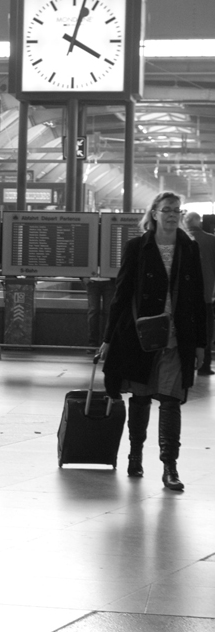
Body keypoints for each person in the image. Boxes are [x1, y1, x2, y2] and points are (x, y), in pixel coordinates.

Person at [98, 191, 206, 491]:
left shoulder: (189, 248)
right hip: (141, 336)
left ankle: (170, 466)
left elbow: (198, 298)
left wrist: (200, 344)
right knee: (141, 399)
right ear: (154, 213)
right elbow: (121, 293)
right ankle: (135, 455)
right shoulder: (137, 247)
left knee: (171, 401)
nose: (172, 215)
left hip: (176, 337)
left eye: (176, 210)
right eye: (166, 209)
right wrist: (108, 338)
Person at [184, 211, 215, 375]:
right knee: (206, 331)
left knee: (186, 330)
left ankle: (186, 364)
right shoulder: (211, 240)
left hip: (184, 296)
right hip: (206, 294)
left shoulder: (180, 240)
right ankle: (204, 365)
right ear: (199, 222)